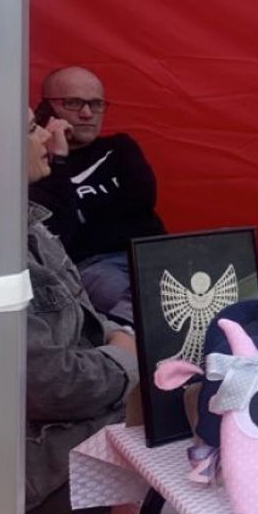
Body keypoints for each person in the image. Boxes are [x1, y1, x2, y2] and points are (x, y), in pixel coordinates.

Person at [24, 107, 139, 514]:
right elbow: (49, 385)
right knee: (192, 436)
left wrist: (118, 339)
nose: (45, 137)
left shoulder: (33, 226)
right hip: (40, 464)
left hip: (85, 410)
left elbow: (82, 313)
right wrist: (124, 359)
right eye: (33, 128)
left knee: (195, 395)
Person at [30, 66, 165, 322]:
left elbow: (141, 202)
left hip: (152, 253)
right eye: (73, 103)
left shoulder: (120, 148)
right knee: (144, 304)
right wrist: (59, 159)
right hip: (94, 265)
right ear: (45, 109)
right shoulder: (39, 165)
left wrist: (83, 215)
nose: (87, 113)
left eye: (96, 104)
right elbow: (59, 231)